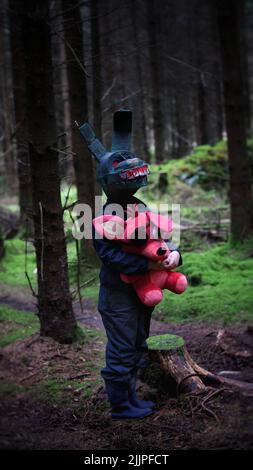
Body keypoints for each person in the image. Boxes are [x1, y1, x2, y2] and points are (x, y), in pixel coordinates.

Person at [79, 109, 182, 419]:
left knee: (138, 345)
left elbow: (158, 238)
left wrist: (174, 255)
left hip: (143, 293)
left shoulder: (139, 205)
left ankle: (132, 396)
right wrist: (146, 268)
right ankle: (120, 404)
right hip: (118, 295)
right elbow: (109, 255)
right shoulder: (103, 214)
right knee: (122, 349)